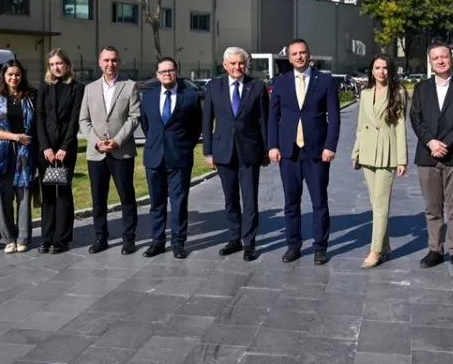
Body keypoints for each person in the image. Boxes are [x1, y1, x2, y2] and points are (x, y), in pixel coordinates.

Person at [268, 39, 340, 265]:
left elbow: (334, 116)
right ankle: (293, 245)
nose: (299, 57)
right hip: (289, 152)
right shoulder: (281, 83)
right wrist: (272, 145)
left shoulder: (325, 80)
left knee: (319, 200)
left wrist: (330, 145)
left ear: (309, 55)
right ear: (289, 58)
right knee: (291, 201)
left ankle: (320, 247)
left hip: (316, 151)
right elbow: (273, 117)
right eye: (294, 54)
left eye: (302, 52)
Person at [409, 43, 453, 271]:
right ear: (430, 62)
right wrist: (431, 142)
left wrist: (446, 144)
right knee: (432, 208)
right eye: (436, 58)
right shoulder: (421, 88)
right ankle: (435, 250)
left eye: (444, 57)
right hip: (427, 156)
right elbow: (415, 119)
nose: (440, 61)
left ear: (451, 59)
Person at [202, 46, 268, 262]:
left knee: (250, 200)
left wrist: (266, 150)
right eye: (233, 63)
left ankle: (249, 243)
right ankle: (234, 238)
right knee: (230, 199)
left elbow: (264, 122)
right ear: (225, 65)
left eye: (241, 63)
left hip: (249, 152)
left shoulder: (257, 87)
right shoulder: (214, 87)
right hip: (223, 152)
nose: (238, 67)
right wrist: (208, 152)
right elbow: (207, 121)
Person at [78, 46, 141, 255]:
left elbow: (134, 117)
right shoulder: (90, 89)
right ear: (99, 62)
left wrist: (117, 140)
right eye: (106, 60)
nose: (110, 64)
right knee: (98, 199)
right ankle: (100, 237)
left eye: (113, 60)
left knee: (126, 196)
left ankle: (129, 238)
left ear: (119, 62)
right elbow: (84, 120)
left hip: (121, 151)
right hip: (96, 153)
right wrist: (96, 141)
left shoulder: (129, 86)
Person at [138, 57, 202, 259]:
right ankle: (157, 241)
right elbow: (147, 125)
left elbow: (195, 128)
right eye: (162, 71)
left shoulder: (190, 97)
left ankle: (178, 242)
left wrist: (183, 147)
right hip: (154, 157)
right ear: (157, 75)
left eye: (170, 70)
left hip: (179, 158)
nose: (166, 74)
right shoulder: (148, 97)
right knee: (156, 203)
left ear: (176, 72)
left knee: (179, 202)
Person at [351, 54, 409, 269]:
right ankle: (385, 246)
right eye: (377, 67)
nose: (381, 71)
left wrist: (402, 159)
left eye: (385, 67)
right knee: (375, 203)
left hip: (387, 151)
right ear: (372, 70)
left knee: (381, 204)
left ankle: (375, 250)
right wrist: (355, 152)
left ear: (390, 70)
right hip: (367, 150)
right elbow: (360, 124)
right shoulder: (365, 93)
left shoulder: (398, 92)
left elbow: (401, 127)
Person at [34, 48, 85, 254]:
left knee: (62, 192)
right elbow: (39, 117)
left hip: (66, 149)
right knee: (47, 192)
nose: (56, 67)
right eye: (52, 64)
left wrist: (64, 147)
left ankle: (62, 238)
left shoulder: (76, 88)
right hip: (45, 150)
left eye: (59, 63)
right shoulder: (44, 87)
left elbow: (75, 120)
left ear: (67, 64)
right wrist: (46, 146)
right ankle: (46, 237)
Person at [0, 59, 38, 253]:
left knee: (24, 193)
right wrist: (15, 137)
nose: (14, 78)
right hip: (3, 152)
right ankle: (8, 237)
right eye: (10, 74)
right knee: (4, 194)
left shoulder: (31, 97)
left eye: (17, 74)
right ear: (4, 76)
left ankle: (23, 237)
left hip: (26, 152)